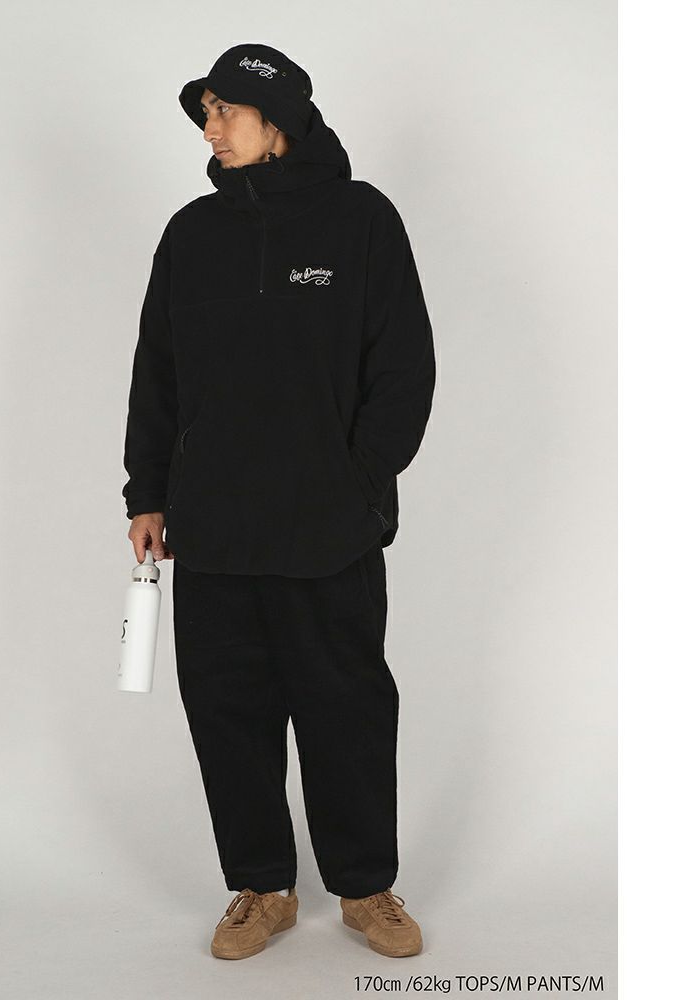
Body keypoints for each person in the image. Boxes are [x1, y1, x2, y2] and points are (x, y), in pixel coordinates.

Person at [122, 43, 436, 960]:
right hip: (213, 527)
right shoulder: (192, 234)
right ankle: (262, 887)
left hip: (329, 531)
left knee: (347, 711)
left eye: (226, 110)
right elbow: (157, 373)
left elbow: (404, 370)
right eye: (205, 113)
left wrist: (357, 486)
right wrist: (149, 491)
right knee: (227, 712)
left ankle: (366, 887)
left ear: (280, 120)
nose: (209, 129)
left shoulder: (363, 221)